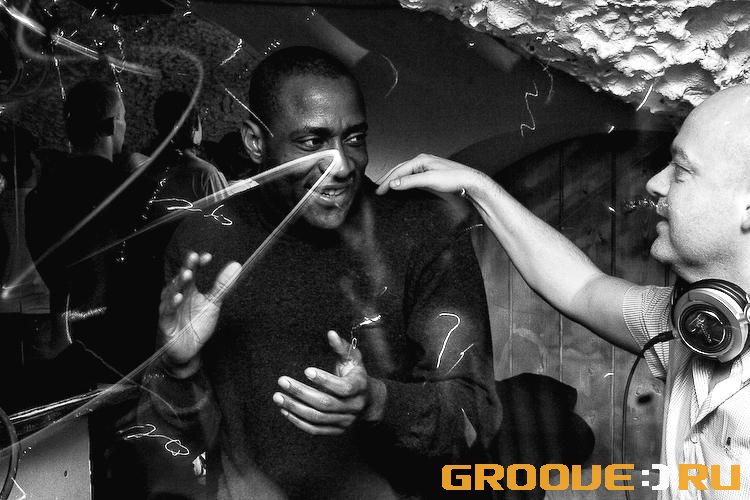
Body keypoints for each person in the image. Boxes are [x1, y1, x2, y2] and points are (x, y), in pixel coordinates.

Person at [148, 46, 498, 499]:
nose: (342, 165)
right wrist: (178, 366)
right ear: (255, 141)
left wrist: (378, 401)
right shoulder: (208, 239)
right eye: (313, 142)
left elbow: (476, 417)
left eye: (354, 138)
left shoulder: (422, 230)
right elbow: (176, 440)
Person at [376, 85, 750, 498]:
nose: (654, 183)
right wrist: (478, 186)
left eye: (681, 171)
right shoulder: (693, 324)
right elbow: (581, 287)